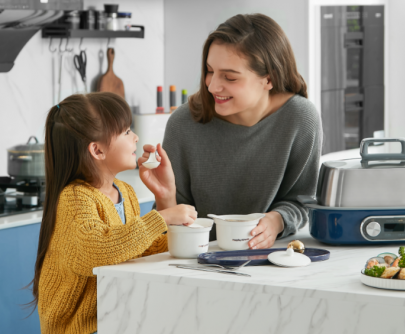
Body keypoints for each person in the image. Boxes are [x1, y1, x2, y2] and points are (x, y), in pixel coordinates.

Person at [30, 92, 196, 334]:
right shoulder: (75, 198)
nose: (136, 137)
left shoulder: (124, 192)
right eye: (127, 131)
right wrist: (162, 218)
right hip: (82, 328)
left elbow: (135, 248)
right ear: (97, 151)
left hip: (115, 318)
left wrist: (169, 201)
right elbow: (97, 251)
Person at [155, 13, 322, 249]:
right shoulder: (183, 123)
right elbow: (170, 221)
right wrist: (164, 198)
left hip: (272, 258)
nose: (213, 86)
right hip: (198, 261)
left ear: (269, 79)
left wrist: (277, 221)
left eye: (230, 77)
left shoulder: (300, 118)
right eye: (210, 70)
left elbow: (302, 200)